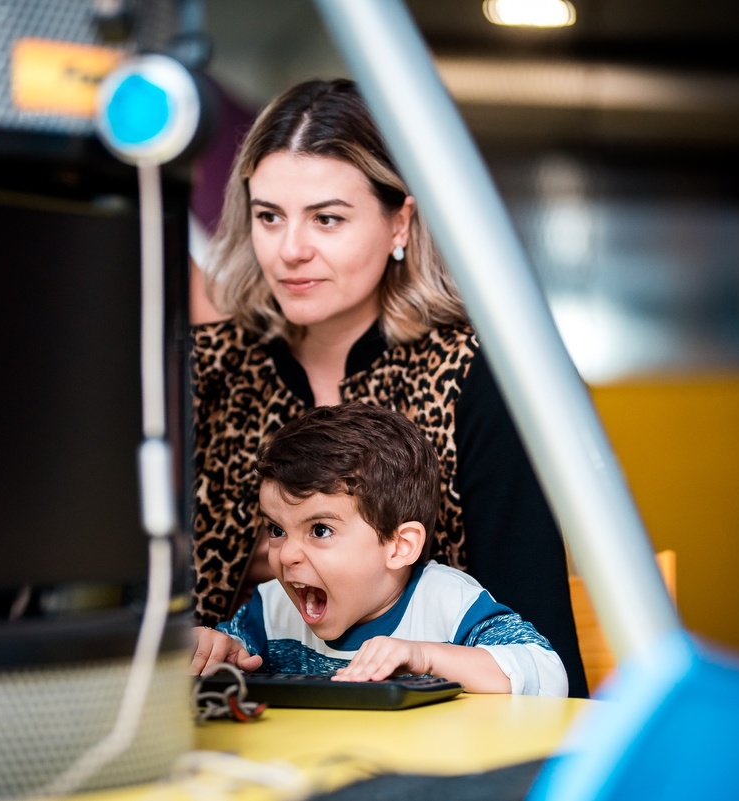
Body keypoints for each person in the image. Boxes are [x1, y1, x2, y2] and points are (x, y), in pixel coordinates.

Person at [192, 78, 589, 697]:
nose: (290, 250)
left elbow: (541, 658)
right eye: (269, 216)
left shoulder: (478, 374)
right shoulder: (209, 368)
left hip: (434, 736)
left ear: (400, 221)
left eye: (327, 218)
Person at [191, 403, 567, 696]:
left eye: (319, 530)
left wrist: (424, 657)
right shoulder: (271, 609)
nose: (287, 555)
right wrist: (214, 649)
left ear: (400, 546)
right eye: (276, 529)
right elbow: (230, 654)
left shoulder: (447, 603)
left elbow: (547, 674)